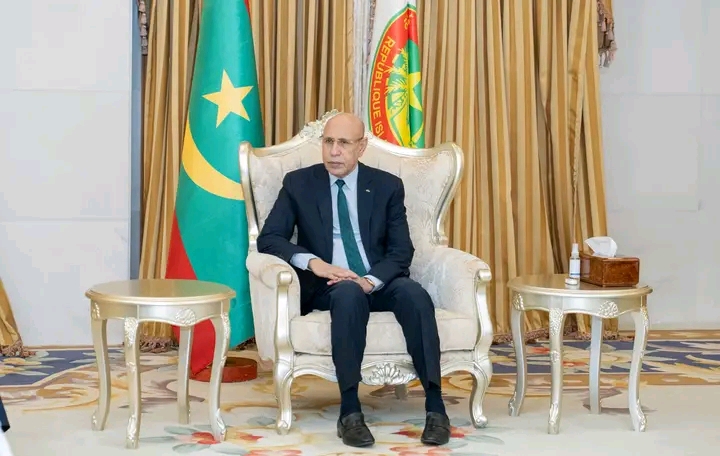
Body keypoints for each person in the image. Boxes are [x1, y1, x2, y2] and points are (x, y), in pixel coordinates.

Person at [257, 113, 450, 448]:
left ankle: (436, 408)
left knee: (415, 296)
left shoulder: (387, 186)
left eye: (344, 144)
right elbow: (269, 238)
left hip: (378, 279)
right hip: (328, 285)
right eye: (328, 142)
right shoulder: (299, 183)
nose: (334, 151)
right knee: (348, 295)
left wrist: (371, 280)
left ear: (361, 147)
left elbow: (401, 251)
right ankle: (349, 411)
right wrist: (315, 263)